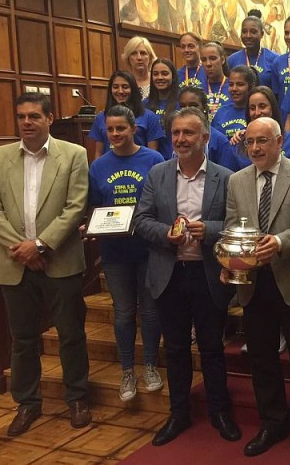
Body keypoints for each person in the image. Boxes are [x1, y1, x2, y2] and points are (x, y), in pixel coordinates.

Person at [0, 92, 92, 436]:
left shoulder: (74, 155)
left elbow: (75, 206)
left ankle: (77, 398)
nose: (26, 123)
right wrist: (23, 250)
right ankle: (27, 404)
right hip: (15, 265)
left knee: (71, 335)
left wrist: (41, 246)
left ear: (50, 118)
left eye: (33, 116)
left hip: (60, 260)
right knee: (23, 340)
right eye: (21, 117)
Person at [133, 106, 241, 447]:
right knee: (176, 348)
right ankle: (178, 414)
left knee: (211, 348)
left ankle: (219, 412)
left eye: (188, 133)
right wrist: (167, 233)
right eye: (176, 133)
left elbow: (238, 226)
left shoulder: (227, 178)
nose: (180, 139)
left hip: (208, 274)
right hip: (169, 274)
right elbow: (141, 219)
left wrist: (208, 230)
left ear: (205, 137)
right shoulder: (158, 174)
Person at [222, 117, 290, 462]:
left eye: (263, 141)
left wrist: (280, 242)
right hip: (253, 284)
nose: (255, 148)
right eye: (250, 142)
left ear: (280, 142)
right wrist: (230, 263)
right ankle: (272, 422)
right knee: (262, 358)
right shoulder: (237, 181)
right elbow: (230, 230)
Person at [88, 105, 165, 402]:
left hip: (148, 249)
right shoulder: (98, 166)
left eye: (121, 128)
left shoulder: (154, 159)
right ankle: (127, 371)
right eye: (110, 129)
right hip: (115, 251)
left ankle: (149, 366)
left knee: (149, 311)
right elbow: (95, 206)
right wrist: (93, 225)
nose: (116, 134)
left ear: (134, 129)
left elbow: (161, 202)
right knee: (122, 313)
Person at [88, 71, 165, 160]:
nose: (120, 91)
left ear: (133, 89)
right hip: (110, 169)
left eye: (125, 87)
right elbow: (98, 153)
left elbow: (153, 153)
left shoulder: (149, 117)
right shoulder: (101, 117)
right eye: (115, 87)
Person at [177, 85, 239, 173]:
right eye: (183, 106)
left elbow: (227, 177)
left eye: (193, 105)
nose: (188, 110)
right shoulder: (175, 136)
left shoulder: (219, 141)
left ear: (205, 108)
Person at [227, 13, 278, 91]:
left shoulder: (274, 59)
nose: (248, 36)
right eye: (244, 32)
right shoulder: (232, 60)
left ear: (261, 34)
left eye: (253, 32)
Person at [145, 58, 180, 159]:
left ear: (173, 76)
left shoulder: (181, 103)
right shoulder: (144, 105)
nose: (159, 77)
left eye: (164, 73)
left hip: (176, 160)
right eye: (155, 74)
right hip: (152, 161)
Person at [211, 65, 258, 141]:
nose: (234, 89)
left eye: (240, 84)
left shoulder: (256, 112)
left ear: (251, 86)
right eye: (231, 84)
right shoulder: (221, 112)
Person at [199, 41, 232, 122]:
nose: (208, 64)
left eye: (213, 58)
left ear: (222, 59)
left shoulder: (233, 86)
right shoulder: (198, 90)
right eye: (204, 60)